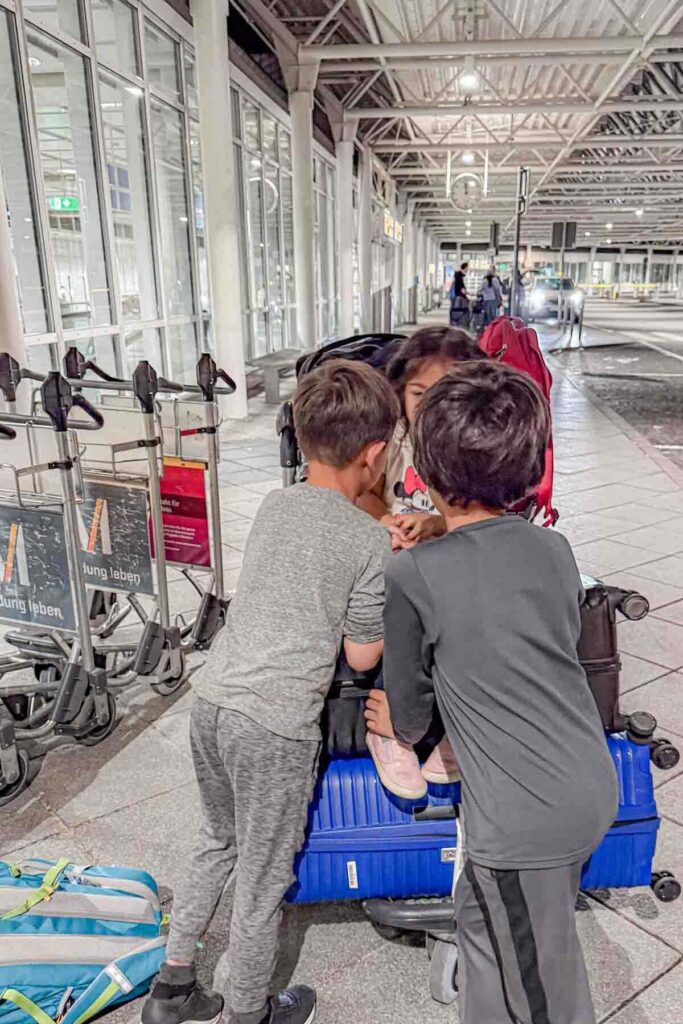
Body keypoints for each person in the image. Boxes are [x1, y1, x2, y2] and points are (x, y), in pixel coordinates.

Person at [142, 360, 399, 1024]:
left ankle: (172, 989)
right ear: (374, 455)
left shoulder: (277, 503)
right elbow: (360, 653)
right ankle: (250, 1010)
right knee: (262, 881)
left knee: (216, 840)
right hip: (275, 726)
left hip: (214, 702)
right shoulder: (369, 539)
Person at [365, 361, 618, 1024]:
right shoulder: (554, 549)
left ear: (425, 466)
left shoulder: (411, 573)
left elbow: (413, 716)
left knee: (544, 994)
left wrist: (393, 715)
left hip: (521, 817)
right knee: (487, 926)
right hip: (585, 780)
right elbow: (507, 598)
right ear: (529, 463)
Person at [357, 326, 487, 800]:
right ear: (400, 393)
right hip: (395, 560)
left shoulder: (473, 438)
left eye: (446, 392)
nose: (431, 404)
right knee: (395, 608)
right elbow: (362, 494)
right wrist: (389, 518)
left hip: (454, 555)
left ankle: (461, 723)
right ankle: (388, 729)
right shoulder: (389, 438)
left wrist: (435, 523)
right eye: (419, 392)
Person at [449, 261, 470, 326]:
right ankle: (457, 323)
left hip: (457, 296)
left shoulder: (458, 275)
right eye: (467, 268)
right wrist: (466, 294)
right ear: (465, 267)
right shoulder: (458, 275)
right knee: (459, 310)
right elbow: (461, 287)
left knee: (456, 310)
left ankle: (455, 323)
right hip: (458, 296)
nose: (467, 269)